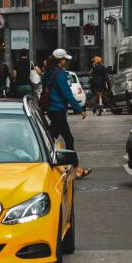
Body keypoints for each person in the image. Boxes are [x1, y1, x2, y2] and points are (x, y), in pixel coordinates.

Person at [45, 49, 90, 178]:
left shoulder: (49, 72)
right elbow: (67, 94)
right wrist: (79, 108)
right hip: (58, 109)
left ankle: (75, 169)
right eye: (65, 59)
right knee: (51, 140)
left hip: (52, 109)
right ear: (61, 60)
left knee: (59, 139)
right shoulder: (60, 74)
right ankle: (73, 169)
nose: (67, 61)